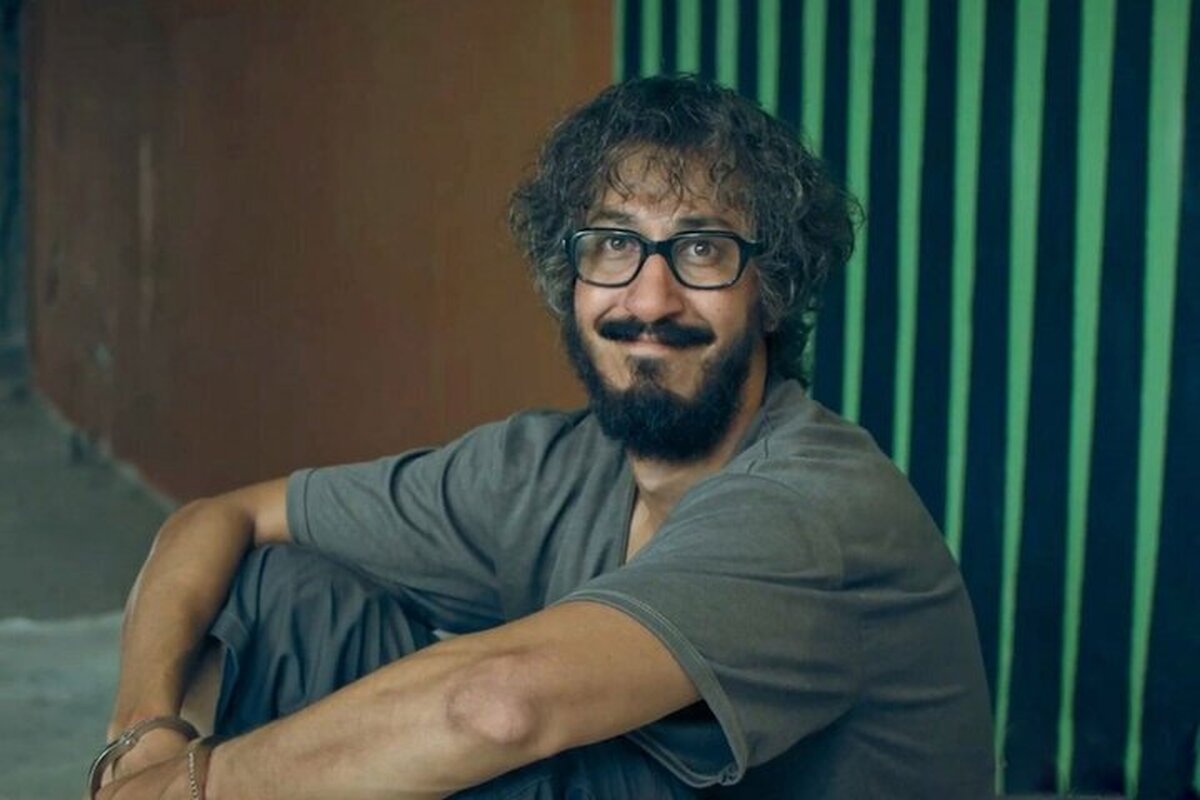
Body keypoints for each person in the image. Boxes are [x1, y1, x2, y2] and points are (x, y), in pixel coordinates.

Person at [92, 75, 994, 799]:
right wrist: (141, 742)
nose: (649, 299)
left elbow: (496, 706)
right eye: (614, 246)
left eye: (702, 250)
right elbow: (222, 519)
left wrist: (193, 787)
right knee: (274, 593)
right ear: (571, 278)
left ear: (773, 292)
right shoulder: (550, 467)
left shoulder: (811, 507)